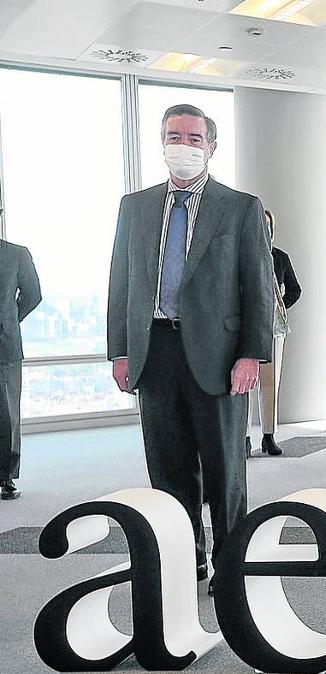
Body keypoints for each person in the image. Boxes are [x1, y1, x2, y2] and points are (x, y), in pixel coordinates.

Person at [107, 104, 273, 591]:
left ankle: (230, 564)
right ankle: (185, 559)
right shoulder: (134, 207)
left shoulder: (239, 207)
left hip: (219, 358)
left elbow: (258, 287)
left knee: (224, 469)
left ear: (211, 147)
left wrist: (251, 353)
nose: (183, 146)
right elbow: (123, 282)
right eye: (173, 137)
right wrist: (120, 349)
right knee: (168, 467)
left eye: (194, 138)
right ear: (161, 143)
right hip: (153, 352)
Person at [248, 210, 301, 457]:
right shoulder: (243, 254)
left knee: (270, 384)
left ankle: (269, 436)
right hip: (246, 329)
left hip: (273, 329)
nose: (264, 229)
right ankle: (244, 438)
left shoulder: (280, 257)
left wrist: (280, 305)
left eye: (268, 225)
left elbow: (295, 289)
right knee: (244, 385)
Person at [0, 237, 40, 500]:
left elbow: (33, 295)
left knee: (7, 415)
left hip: (5, 345)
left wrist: (11, 318)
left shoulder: (16, 254)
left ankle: (6, 477)